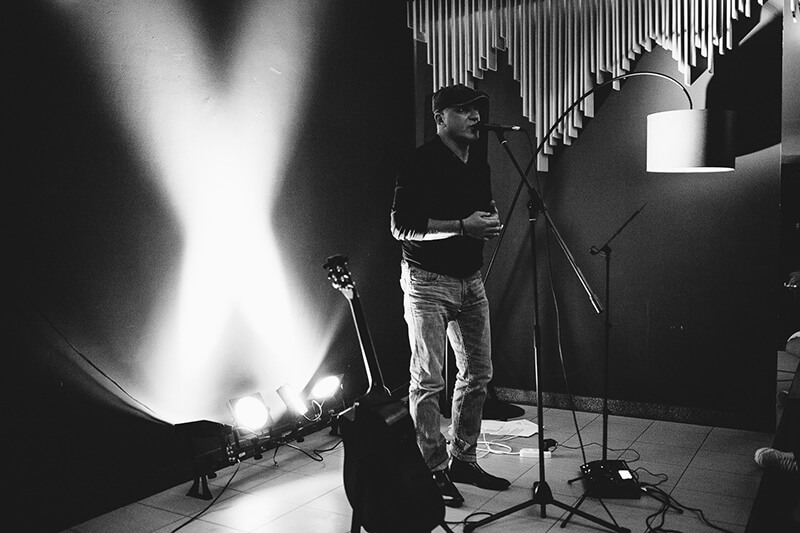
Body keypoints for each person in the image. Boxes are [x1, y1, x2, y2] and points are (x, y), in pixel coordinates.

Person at [390, 84, 509, 508]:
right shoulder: (418, 161)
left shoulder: (479, 162)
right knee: (428, 379)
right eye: (463, 110)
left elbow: (481, 209)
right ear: (440, 118)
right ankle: (432, 468)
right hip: (426, 281)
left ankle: (463, 459)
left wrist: (488, 220)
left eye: (477, 110)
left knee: (478, 373)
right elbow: (401, 226)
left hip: (469, 279)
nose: (476, 117)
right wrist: (462, 226)